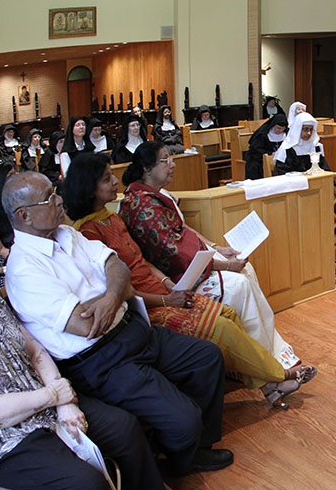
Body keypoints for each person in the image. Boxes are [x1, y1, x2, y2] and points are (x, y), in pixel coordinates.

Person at [3, 171, 233, 477]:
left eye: (56, 192)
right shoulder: (23, 269)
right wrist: (116, 292)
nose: (60, 201)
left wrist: (110, 297)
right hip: (101, 361)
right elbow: (84, 325)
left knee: (207, 358)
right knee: (184, 419)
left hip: (132, 329)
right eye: (50, 197)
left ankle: (193, 450)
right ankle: (177, 462)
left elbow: (117, 266)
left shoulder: (67, 234)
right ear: (25, 216)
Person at [65, 153, 316, 407]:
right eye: (107, 179)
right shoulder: (87, 232)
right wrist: (166, 298)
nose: (115, 182)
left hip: (160, 289)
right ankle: (278, 376)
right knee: (223, 327)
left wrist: (166, 283)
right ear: (89, 187)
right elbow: (121, 290)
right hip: (145, 307)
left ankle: (266, 383)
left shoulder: (111, 217)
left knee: (228, 314)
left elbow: (142, 261)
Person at [0, 255, 171, 490]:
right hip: (1, 438)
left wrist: (65, 403)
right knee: (84, 484)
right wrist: (53, 396)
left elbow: (34, 350)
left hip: (49, 402)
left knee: (124, 428)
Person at [120, 142, 301, 369]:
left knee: (247, 269)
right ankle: (262, 362)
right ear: (147, 169)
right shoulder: (142, 205)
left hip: (192, 260)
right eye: (165, 160)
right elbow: (175, 255)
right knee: (239, 286)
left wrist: (218, 248)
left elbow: (183, 229)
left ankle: (271, 350)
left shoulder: (155, 194)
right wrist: (225, 266)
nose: (172, 165)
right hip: (177, 276)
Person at [246, 114, 287, 180]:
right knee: (255, 165)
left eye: (283, 129)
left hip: (279, 158)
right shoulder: (263, 134)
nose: (280, 131)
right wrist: (270, 154)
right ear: (273, 125)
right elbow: (255, 149)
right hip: (260, 157)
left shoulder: (286, 133)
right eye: (278, 128)